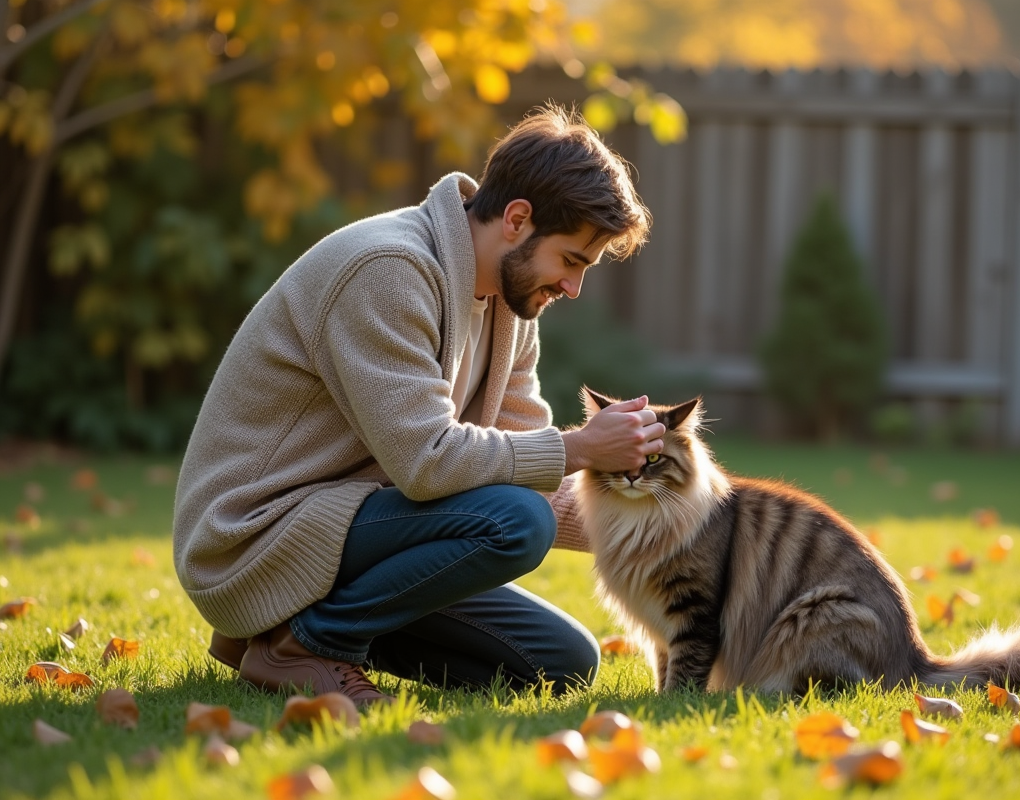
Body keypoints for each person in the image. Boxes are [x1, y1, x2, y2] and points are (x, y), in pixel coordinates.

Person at [172, 105, 665, 706]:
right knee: (517, 523)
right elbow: (428, 462)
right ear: (516, 219)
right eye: (570, 260)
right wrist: (581, 447)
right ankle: (301, 647)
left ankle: (280, 626)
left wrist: (676, 522)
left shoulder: (512, 304)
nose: (572, 287)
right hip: (255, 534)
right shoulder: (388, 270)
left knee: (562, 663)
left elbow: (526, 467)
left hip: (357, 526)